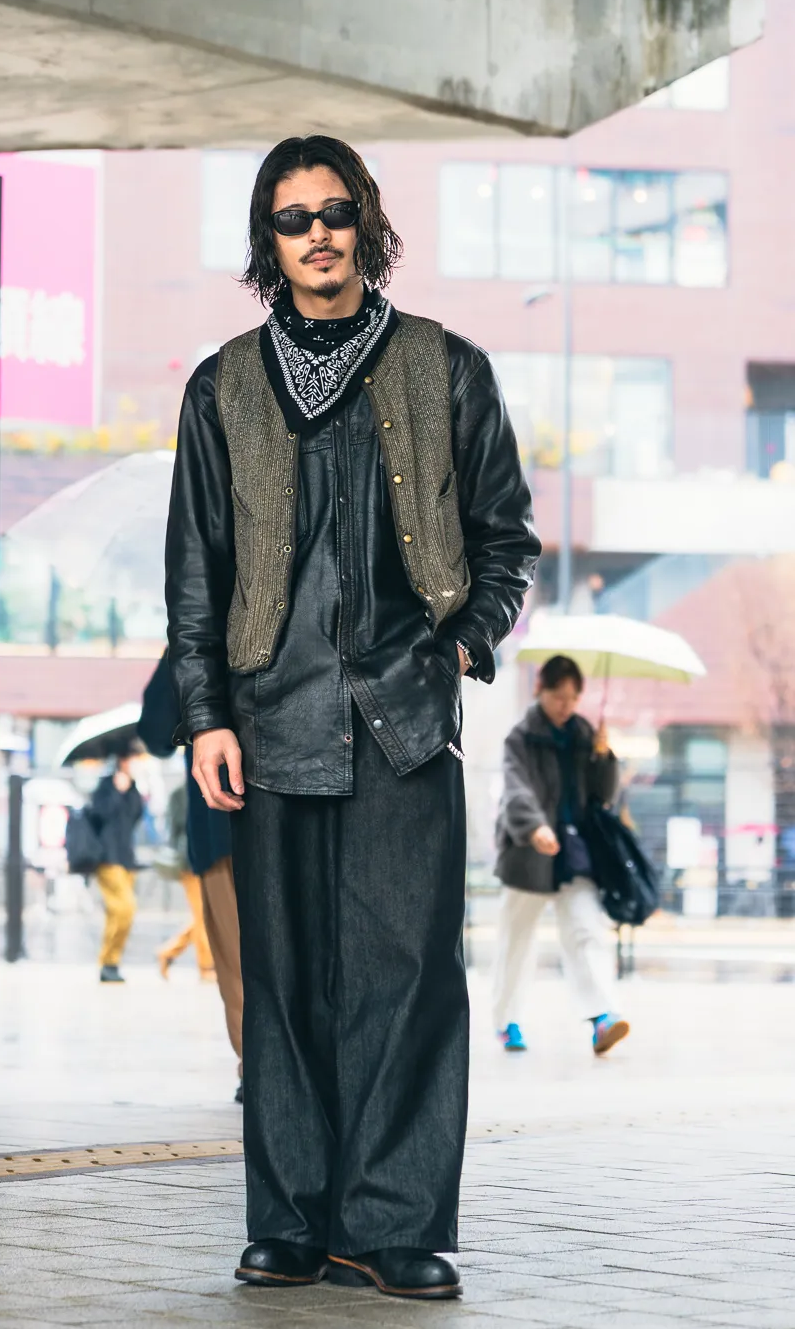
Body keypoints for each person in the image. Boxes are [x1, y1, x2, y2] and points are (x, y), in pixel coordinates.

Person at [166, 134, 540, 1301]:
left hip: (403, 723)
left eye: (334, 213)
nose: (317, 234)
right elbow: (198, 569)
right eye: (293, 219)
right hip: (270, 722)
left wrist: (458, 650)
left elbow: (506, 544)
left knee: (409, 977)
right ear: (267, 240)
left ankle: (395, 1224)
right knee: (284, 984)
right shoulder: (223, 386)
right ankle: (289, 1219)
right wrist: (206, 715)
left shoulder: (446, 368)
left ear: (366, 223)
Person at [493, 655, 629, 1055]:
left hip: (575, 852)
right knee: (517, 940)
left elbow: (604, 796)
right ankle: (507, 1022)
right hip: (528, 853)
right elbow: (515, 788)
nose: (565, 706)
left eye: (572, 698)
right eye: (558, 697)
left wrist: (604, 757)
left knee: (588, 930)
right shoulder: (520, 736)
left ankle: (602, 1017)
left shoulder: (585, 733)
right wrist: (534, 827)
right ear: (541, 690)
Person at [138, 651, 244, 1098]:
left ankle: (260, 1065)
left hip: (223, 822)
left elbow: (156, 731)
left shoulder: (195, 643)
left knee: (238, 956)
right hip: (291, 810)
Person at [90, 746, 144, 983]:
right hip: (107, 858)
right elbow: (100, 814)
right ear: (121, 760)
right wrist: (117, 791)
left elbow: (135, 816)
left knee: (117, 915)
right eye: (132, 759)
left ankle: (111, 964)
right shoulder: (105, 786)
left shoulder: (133, 788)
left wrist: (129, 789)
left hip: (126, 859)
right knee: (125, 908)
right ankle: (107, 960)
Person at [157, 782, 217, 982]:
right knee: (203, 915)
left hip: (214, 859)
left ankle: (169, 952)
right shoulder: (180, 794)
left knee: (212, 915)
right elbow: (176, 828)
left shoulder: (216, 786)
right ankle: (206, 966)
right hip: (191, 860)